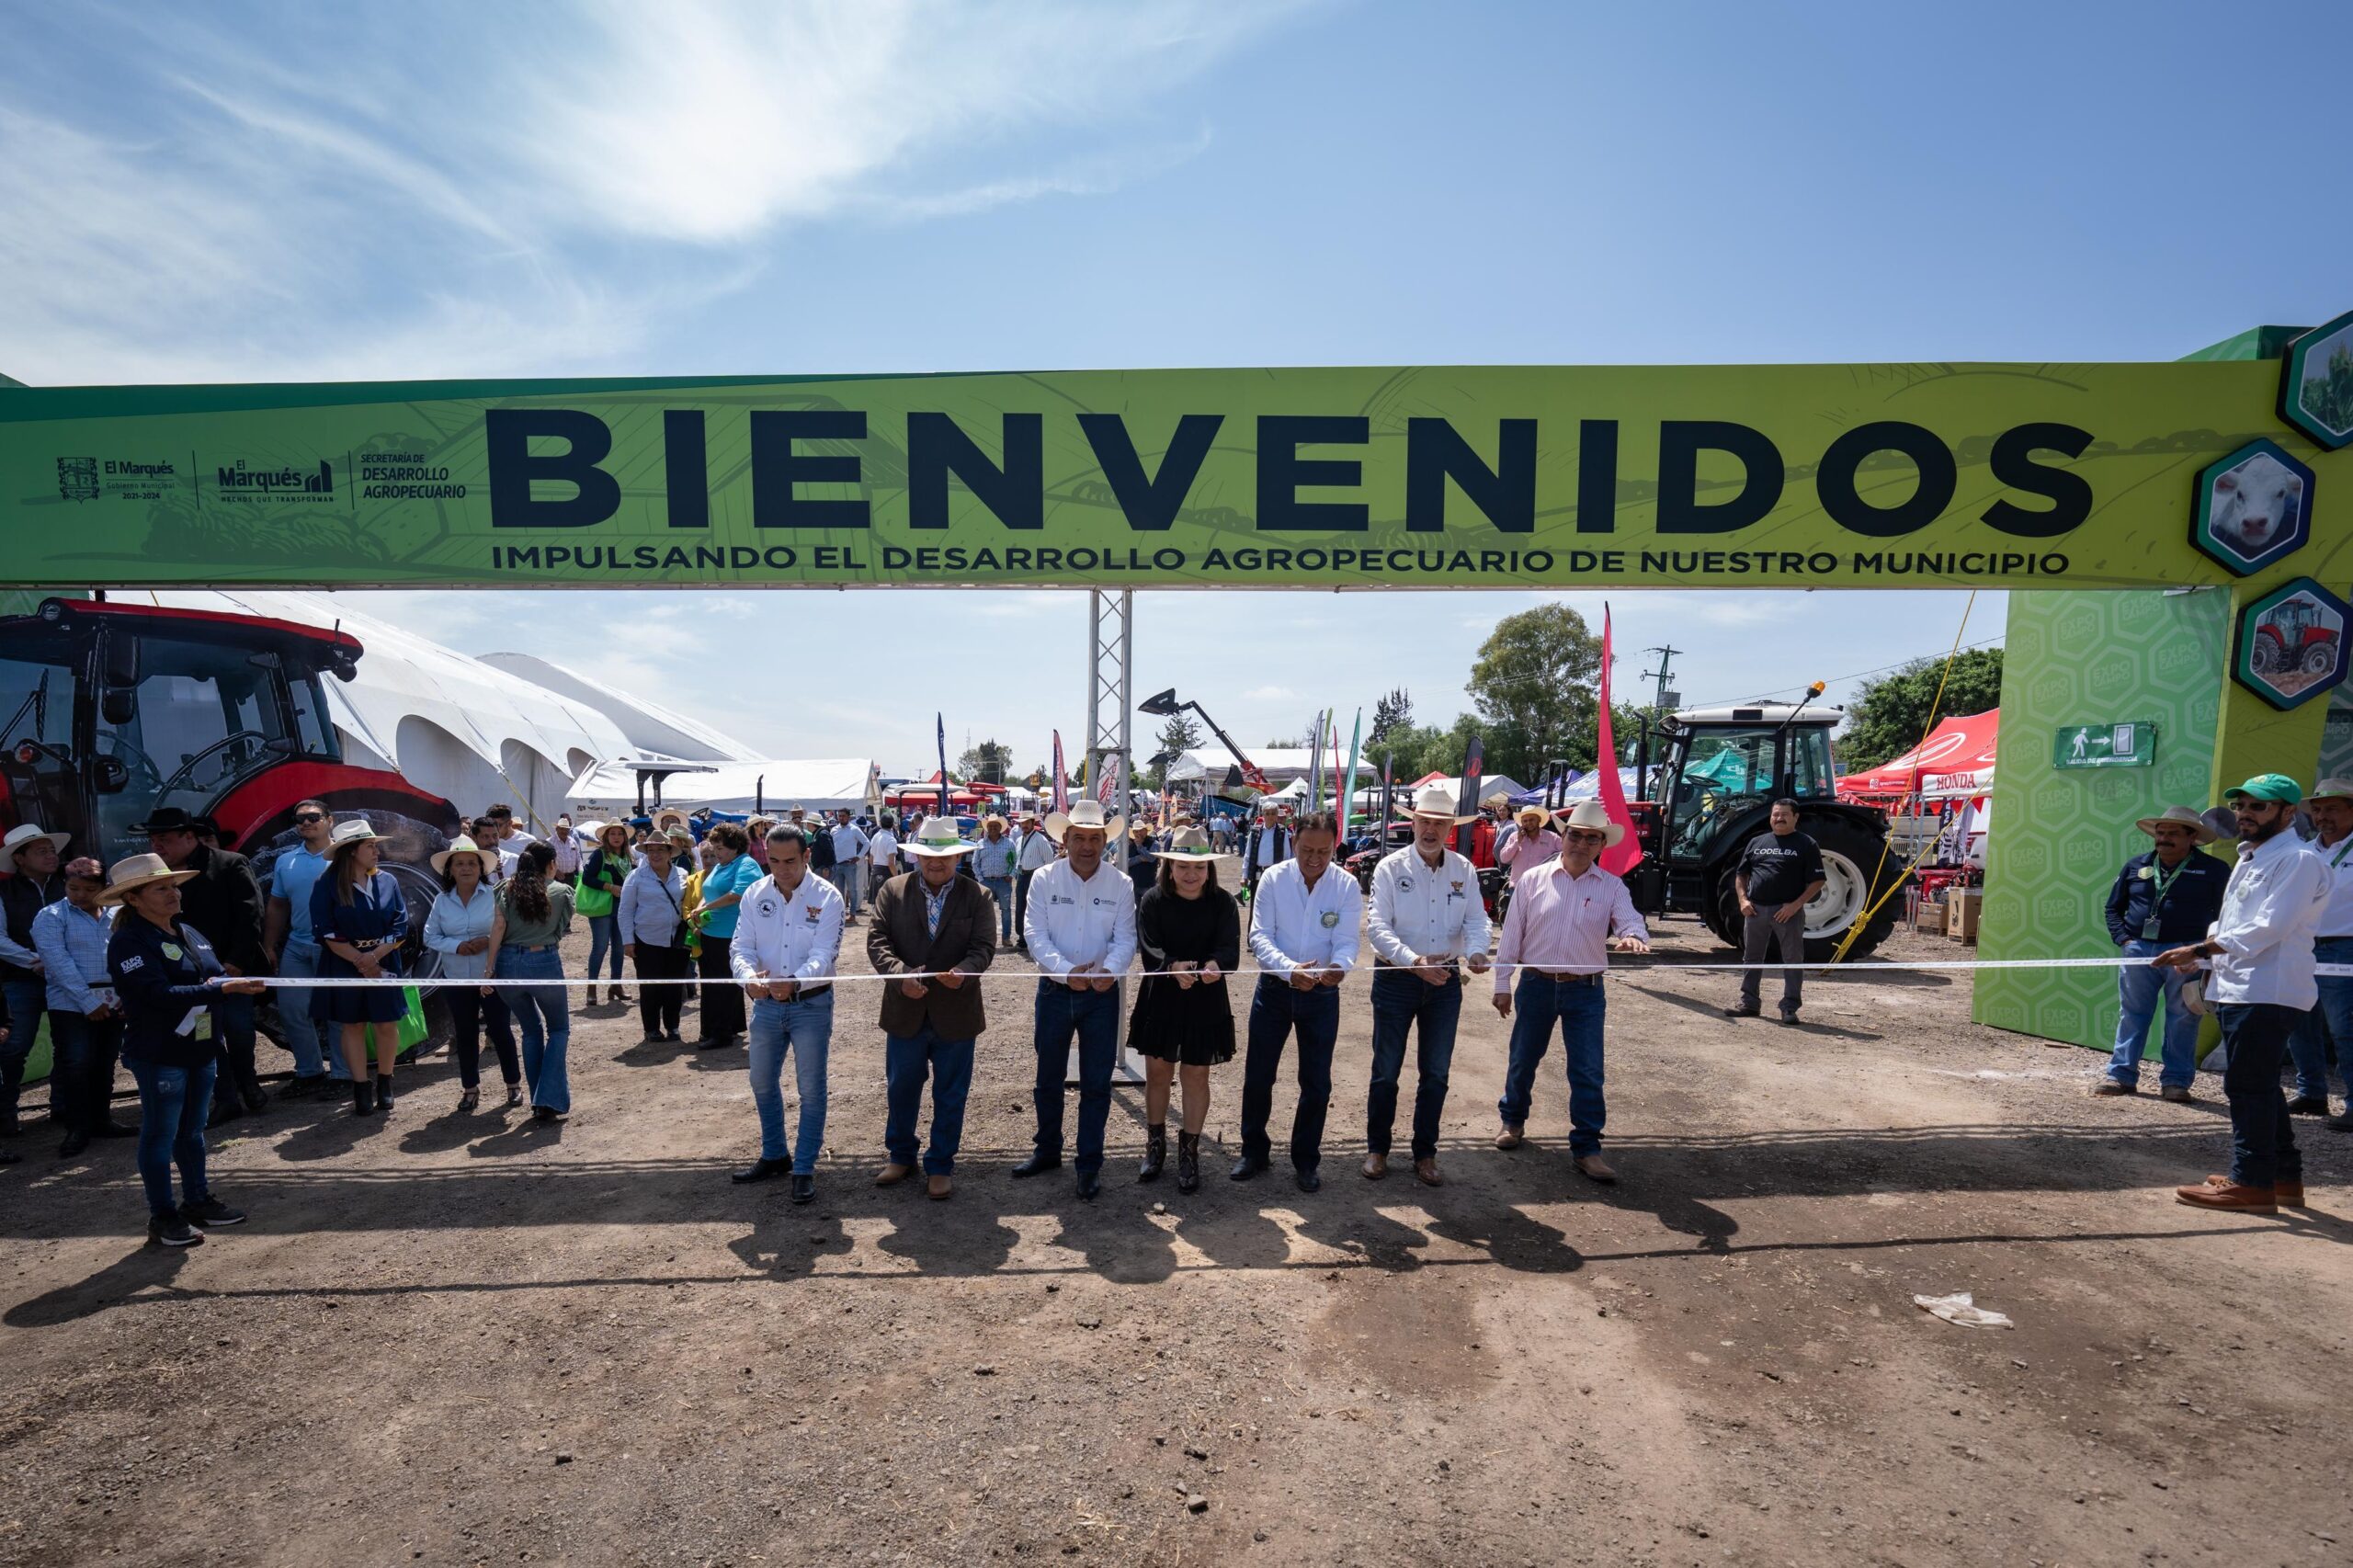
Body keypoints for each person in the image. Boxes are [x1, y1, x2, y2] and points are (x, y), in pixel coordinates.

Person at [2156, 775, 2329, 1213]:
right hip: (2242, 986)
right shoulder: (2252, 858)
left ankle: (2251, 1182)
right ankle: (2282, 1179)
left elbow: (2271, 926)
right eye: (2241, 806)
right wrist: (2205, 959)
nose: (2246, 814)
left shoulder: (2297, 860)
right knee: (2261, 1085)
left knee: (2247, 1086)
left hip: (2269, 989)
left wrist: (2198, 949)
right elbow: (2231, 924)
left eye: (2260, 806)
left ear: (2289, 813)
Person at [104, 852, 265, 1247]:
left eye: (173, 886)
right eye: (161, 888)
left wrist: (230, 983)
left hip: (201, 1049)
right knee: (160, 1135)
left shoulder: (187, 931)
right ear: (134, 899)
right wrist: (220, 989)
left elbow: (208, 976)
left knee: (192, 1132)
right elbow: (155, 993)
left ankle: (197, 1200)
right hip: (160, 1053)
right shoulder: (129, 942)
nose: (173, 893)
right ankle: (162, 1216)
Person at [1492, 800, 1652, 1184]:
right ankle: (1512, 1121)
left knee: (1587, 1070)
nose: (1580, 843)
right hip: (1536, 984)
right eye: (1575, 835)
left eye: (1590, 838)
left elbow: (1631, 921)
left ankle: (1587, 1147)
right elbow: (1512, 936)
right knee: (1522, 1059)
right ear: (1564, 838)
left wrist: (1632, 937)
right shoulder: (1532, 880)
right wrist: (1502, 984)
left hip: (1586, 990)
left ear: (1601, 845)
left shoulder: (1612, 886)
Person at [1363, 785, 1493, 1187]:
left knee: (1435, 1072)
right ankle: (1377, 1149)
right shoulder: (1390, 867)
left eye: (1439, 823)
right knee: (1386, 1070)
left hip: (1445, 980)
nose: (1431, 829)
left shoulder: (1463, 870)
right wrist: (1413, 962)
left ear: (1451, 827)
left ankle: (1425, 1153)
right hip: (1396, 978)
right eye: (1425, 821)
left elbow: (1477, 919)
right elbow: (1378, 928)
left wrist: (1476, 951)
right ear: (1413, 822)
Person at [868, 816, 998, 1199]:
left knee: (951, 1092)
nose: (935, 864)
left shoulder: (978, 896)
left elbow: (984, 948)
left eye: (944, 857)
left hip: (957, 1012)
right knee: (901, 1087)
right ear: (916, 857)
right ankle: (901, 1155)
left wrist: (966, 972)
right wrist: (900, 976)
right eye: (928, 857)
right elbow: (877, 943)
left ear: (958, 857)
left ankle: (941, 1164)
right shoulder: (892, 891)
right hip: (904, 1010)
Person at [1232, 811, 1359, 1190]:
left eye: (1324, 851)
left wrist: (1339, 966)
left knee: (1316, 1082)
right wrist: (1290, 970)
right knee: (1259, 1075)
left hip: (1322, 994)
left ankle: (1306, 1160)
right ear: (1293, 842)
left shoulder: (1346, 886)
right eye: (1307, 849)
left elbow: (1348, 941)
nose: (1315, 859)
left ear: (1335, 846)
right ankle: (1253, 1151)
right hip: (1273, 992)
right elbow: (1260, 937)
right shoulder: (1273, 878)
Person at [1018, 800, 1139, 1200]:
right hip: (1055, 991)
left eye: (1094, 838)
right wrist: (1066, 972)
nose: (1087, 846)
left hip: (1102, 996)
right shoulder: (1043, 879)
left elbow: (1125, 939)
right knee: (1047, 1079)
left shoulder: (1120, 884)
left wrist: (1111, 971)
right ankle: (1048, 1151)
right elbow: (1035, 936)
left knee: (1096, 1083)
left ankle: (1089, 1164)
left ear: (1105, 840)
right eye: (1079, 838)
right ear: (1065, 838)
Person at [729, 825, 844, 1204]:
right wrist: (747, 978)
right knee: (761, 1081)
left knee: (811, 1090)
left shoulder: (828, 897)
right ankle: (775, 1153)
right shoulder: (755, 893)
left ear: (807, 856)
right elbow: (741, 947)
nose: (781, 869)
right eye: (774, 861)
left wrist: (795, 981)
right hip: (765, 1005)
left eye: (790, 861)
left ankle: (805, 1167)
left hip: (810, 1005)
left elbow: (824, 954)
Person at [139, 805, 269, 1123]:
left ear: (189, 837)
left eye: (165, 839)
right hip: (189, 978)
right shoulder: (157, 876)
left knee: (239, 1030)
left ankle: (247, 1080)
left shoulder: (229, 864)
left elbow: (250, 916)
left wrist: (235, 963)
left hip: (231, 969)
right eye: (153, 839)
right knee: (206, 1036)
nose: (157, 846)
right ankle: (225, 1097)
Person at [1127, 826, 1239, 1193]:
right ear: (1169, 866)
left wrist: (1213, 966)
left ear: (1209, 868)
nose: (1191, 874)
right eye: (1182, 866)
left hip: (1205, 999)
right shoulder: (1153, 901)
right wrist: (1173, 967)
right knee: (1158, 1075)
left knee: (1196, 1077)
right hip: (1162, 996)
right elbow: (1150, 950)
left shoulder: (1222, 902)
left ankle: (1189, 1153)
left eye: (1200, 867)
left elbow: (1229, 950)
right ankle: (1155, 1146)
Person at [2096, 804, 2230, 1102]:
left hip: (2186, 953)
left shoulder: (2214, 870)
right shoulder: (2135, 866)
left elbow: (2227, 915)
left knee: (2183, 1017)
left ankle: (2176, 1082)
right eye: (2160, 832)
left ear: (2192, 837)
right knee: (2132, 1014)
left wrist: (2205, 953)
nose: (2164, 838)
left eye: (2173, 833)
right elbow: (2112, 908)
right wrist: (2125, 941)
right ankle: (2120, 1076)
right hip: (2139, 951)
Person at [33, 857, 132, 1156]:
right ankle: (77, 1127)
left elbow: (127, 954)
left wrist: (127, 995)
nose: (78, 895)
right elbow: (57, 964)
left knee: (104, 1061)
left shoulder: (119, 914)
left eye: (87, 889)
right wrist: (88, 1002)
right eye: (72, 888)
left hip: (114, 998)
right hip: (70, 1001)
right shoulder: (50, 916)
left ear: (104, 888)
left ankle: (102, 1119)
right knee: (75, 1062)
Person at [310, 818, 410, 1117]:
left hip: (383, 960)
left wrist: (374, 957)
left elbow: (400, 924)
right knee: (352, 1024)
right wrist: (360, 960)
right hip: (343, 963)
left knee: (385, 1023)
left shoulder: (388, 881)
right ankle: (360, 1086)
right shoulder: (326, 884)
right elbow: (325, 930)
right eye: (370, 846)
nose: (377, 851)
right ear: (352, 850)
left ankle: (385, 1082)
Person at [424, 835, 521, 1111]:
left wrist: (486, 942)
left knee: (501, 1030)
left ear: (481, 868)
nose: (465, 868)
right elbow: (430, 936)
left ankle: (513, 1085)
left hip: (491, 976)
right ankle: (469, 1088)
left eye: (471, 863)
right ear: (450, 870)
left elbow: (510, 931)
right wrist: (458, 946)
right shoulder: (441, 901)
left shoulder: (496, 895)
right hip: (456, 978)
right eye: (459, 864)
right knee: (465, 1034)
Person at [261, 801, 341, 1096]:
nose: (306, 823)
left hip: (335, 947)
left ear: (329, 820)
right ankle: (309, 1072)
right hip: (297, 946)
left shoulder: (343, 857)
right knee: (292, 1011)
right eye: (300, 819)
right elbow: (278, 905)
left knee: (337, 1014)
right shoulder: (286, 862)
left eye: (313, 817)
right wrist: (269, 945)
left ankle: (344, 1076)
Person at [1722, 799, 1826, 1026]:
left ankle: (1789, 1007)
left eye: (1785, 814)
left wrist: (1795, 905)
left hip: (1787, 912)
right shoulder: (1757, 842)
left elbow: (1818, 881)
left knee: (1792, 959)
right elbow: (1742, 875)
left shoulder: (1806, 844)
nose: (1779, 818)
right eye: (1775, 814)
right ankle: (1749, 1003)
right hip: (1755, 911)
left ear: (1796, 817)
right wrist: (1743, 900)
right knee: (1751, 957)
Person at [494, 841, 576, 1124]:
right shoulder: (561, 892)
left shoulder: (504, 889)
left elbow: (498, 926)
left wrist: (489, 967)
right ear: (551, 863)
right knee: (559, 1030)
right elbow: (561, 927)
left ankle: (538, 1099)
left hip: (507, 964)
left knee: (530, 1031)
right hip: (543, 960)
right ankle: (548, 1099)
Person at [0, 821, 71, 1137]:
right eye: (41, 851)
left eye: (52, 850)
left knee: (69, 1044)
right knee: (15, 1046)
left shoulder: (70, 885)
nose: (51, 855)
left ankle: (64, 1106)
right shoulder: (3, 892)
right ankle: (6, 1113)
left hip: (66, 977)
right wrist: (36, 962)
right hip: (21, 978)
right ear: (19, 858)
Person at [2289, 778, 2353, 1121]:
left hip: (2345, 949)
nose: (2323, 816)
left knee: (2344, 1028)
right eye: (2317, 810)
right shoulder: (2302, 853)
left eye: (2332, 809)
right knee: (2298, 1022)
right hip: (2301, 945)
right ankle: (2312, 1093)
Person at [688, 822, 758, 1049]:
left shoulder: (745, 864)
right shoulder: (721, 865)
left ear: (735, 846)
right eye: (714, 848)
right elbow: (707, 890)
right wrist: (699, 909)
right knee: (713, 983)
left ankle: (721, 1033)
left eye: (720, 848)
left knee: (723, 985)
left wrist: (705, 909)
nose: (716, 854)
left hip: (731, 935)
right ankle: (723, 1027)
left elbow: (736, 895)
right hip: (711, 933)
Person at [620, 833, 692, 1044]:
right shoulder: (635, 877)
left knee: (674, 986)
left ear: (670, 852)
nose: (655, 854)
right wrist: (627, 940)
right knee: (650, 987)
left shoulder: (683, 874)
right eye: (651, 850)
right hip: (646, 940)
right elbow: (625, 911)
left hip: (677, 941)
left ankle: (673, 1026)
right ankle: (651, 1028)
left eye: (660, 850)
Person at [573, 819, 630, 1007]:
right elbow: (587, 878)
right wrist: (608, 886)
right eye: (612, 834)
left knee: (620, 948)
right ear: (606, 837)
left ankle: (616, 986)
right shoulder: (599, 855)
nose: (616, 837)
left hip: (622, 907)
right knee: (600, 946)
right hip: (601, 908)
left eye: (620, 834)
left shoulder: (629, 857)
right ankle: (592, 988)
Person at [972, 815, 1019, 946]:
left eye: (995, 826)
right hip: (986, 882)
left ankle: (1006, 938)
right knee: (984, 912)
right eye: (990, 826)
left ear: (1000, 828)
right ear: (987, 828)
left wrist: (1011, 874)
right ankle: (986, 939)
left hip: (1003, 882)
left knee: (1006, 910)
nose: (992, 828)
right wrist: (981, 879)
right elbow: (975, 863)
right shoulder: (980, 843)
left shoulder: (1009, 843)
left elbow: (1015, 862)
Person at [1015, 811, 1055, 946]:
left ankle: (1034, 937)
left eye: (1027, 822)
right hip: (1022, 875)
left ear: (1033, 823)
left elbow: (1049, 861)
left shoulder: (1040, 839)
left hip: (1034, 875)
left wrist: (1046, 881)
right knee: (1020, 906)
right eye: (1022, 823)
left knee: (1034, 907)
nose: (1024, 825)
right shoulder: (1019, 840)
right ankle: (1022, 936)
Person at [1494, 803, 1561, 879]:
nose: (1528, 823)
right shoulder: (1514, 836)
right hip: (1517, 885)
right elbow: (1503, 858)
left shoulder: (1552, 837)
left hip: (1541, 886)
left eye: (1531, 819)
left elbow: (1565, 855)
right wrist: (1517, 842)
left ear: (1539, 820)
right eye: (1525, 821)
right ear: (1521, 823)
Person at [828, 811, 870, 921]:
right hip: (837, 864)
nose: (841, 818)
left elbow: (867, 843)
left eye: (843, 816)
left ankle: (853, 914)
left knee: (852, 890)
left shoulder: (854, 829)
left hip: (849, 864)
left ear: (849, 817)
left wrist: (859, 856)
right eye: (840, 816)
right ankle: (840, 914)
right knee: (839, 891)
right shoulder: (834, 830)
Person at [1245, 810, 1291, 894]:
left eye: (1273, 813)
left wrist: (1285, 875)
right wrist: (1244, 875)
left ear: (1276, 815)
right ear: (1263, 815)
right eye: (1267, 814)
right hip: (1257, 873)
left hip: (1275, 874)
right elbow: (1248, 855)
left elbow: (1286, 855)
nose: (1270, 816)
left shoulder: (1282, 831)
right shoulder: (1255, 831)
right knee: (1256, 900)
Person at [866, 812, 900, 909]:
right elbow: (891, 863)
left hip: (875, 871)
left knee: (876, 905)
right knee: (886, 904)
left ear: (880, 823)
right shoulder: (891, 840)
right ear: (892, 824)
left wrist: (874, 870)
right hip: (886, 872)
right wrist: (896, 877)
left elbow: (871, 859)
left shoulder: (875, 837)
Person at [547, 816, 583, 886]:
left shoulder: (572, 841)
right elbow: (545, 860)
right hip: (556, 877)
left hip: (571, 877)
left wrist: (581, 871)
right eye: (562, 829)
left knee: (572, 896)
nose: (564, 831)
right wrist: (555, 871)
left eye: (566, 829)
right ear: (557, 829)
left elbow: (578, 859)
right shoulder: (550, 842)